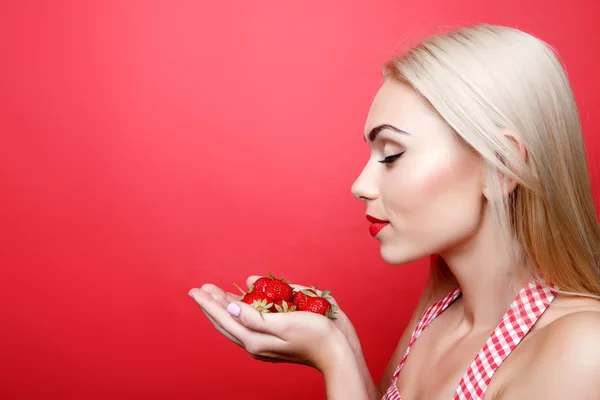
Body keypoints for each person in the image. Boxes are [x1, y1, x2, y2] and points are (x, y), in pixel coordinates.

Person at [189, 23, 600, 399]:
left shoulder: (583, 348)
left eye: (391, 155)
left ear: (502, 162)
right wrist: (341, 342)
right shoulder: (436, 315)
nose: (360, 186)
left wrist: (333, 358)